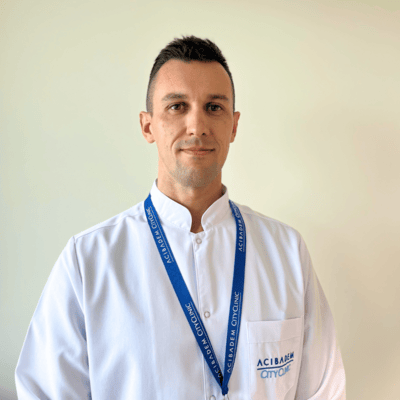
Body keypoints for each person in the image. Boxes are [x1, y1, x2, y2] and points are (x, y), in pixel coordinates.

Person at [15, 35, 346, 399]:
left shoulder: (286, 252)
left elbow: (324, 390)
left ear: (234, 126)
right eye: (177, 106)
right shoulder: (88, 261)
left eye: (214, 107)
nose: (197, 126)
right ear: (147, 126)